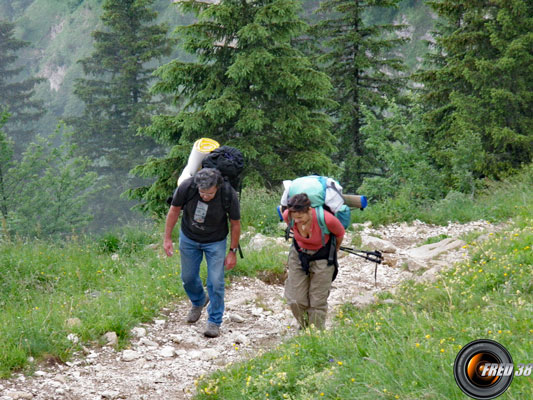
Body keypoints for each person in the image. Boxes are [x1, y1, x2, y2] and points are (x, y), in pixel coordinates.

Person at [164, 168, 241, 338]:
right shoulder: (187, 187)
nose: (205, 196)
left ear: (217, 187)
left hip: (216, 241)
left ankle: (214, 321)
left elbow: (235, 223)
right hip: (189, 237)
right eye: (202, 192)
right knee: (188, 277)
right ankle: (199, 300)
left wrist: (232, 252)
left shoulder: (228, 193)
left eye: (209, 193)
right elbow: (174, 210)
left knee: (216, 281)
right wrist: (167, 238)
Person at [283, 193, 345, 330]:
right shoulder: (288, 215)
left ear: (309, 210)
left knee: (317, 301)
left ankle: (315, 335)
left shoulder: (327, 219)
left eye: (300, 217)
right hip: (298, 255)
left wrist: (334, 252)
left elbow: (340, 234)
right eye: (295, 217)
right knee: (295, 299)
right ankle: (305, 327)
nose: (297, 221)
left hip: (323, 256)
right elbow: (293, 227)